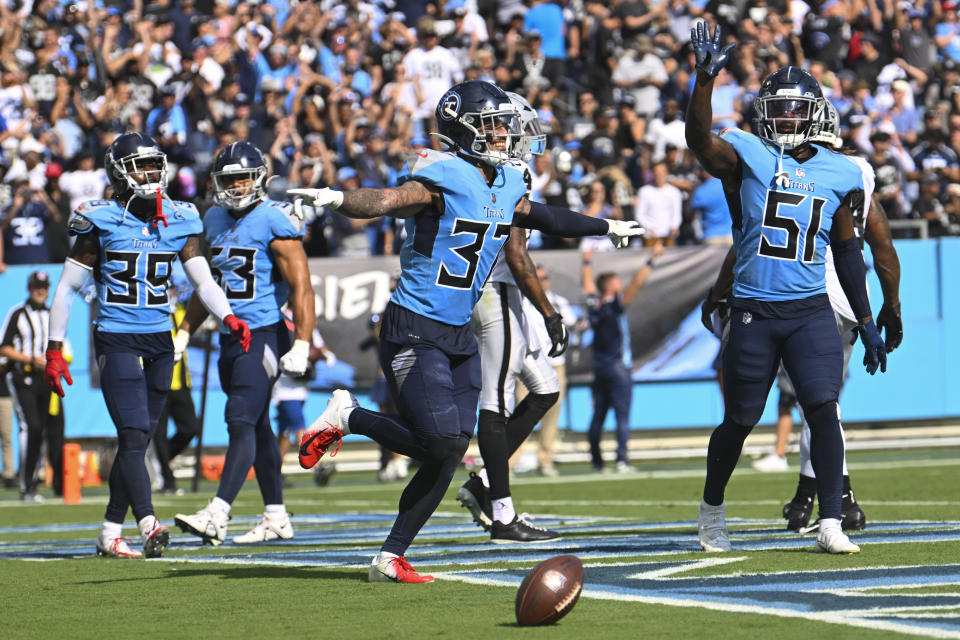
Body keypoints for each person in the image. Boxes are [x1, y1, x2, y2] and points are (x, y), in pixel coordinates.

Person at [289, 80, 642, 583]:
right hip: (414, 324)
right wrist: (333, 197)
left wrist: (606, 227)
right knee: (436, 445)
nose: (504, 134)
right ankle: (348, 416)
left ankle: (391, 555)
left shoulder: (506, 182)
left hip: (456, 331)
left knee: (452, 448)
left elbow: (540, 216)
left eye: (505, 125)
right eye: (493, 125)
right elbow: (388, 199)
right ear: (463, 129)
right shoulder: (443, 175)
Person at [688, 24, 886, 556]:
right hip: (754, 309)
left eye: (798, 110)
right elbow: (700, 142)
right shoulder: (749, 153)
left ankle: (830, 520)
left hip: (811, 312)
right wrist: (704, 82)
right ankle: (711, 510)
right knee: (740, 419)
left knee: (823, 409)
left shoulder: (842, 171)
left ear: (817, 114)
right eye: (780, 108)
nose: (788, 118)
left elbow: (848, 252)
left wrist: (866, 321)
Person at [43, 132, 251, 559]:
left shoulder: (180, 217)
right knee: (135, 433)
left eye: (154, 164)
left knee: (137, 441)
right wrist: (53, 347)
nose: (150, 173)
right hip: (116, 335)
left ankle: (108, 530)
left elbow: (203, 280)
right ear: (119, 172)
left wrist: (228, 316)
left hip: (160, 340)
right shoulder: (97, 217)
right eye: (140, 166)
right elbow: (66, 288)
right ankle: (148, 522)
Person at [173, 141, 313, 546]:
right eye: (229, 178)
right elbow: (208, 286)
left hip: (265, 333)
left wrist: (302, 341)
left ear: (259, 178)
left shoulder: (275, 219)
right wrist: (185, 330)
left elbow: (303, 286)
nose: (236, 186)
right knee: (257, 427)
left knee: (238, 419)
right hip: (229, 339)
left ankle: (218, 513)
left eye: (243, 177)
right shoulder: (214, 218)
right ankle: (276, 516)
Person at [457, 91, 565, 543]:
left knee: (545, 388)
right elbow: (517, 255)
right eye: (508, 126)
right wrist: (548, 310)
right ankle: (501, 512)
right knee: (495, 404)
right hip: (492, 289)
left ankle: (483, 484)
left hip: (502, 291)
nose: (517, 136)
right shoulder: (501, 171)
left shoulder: (505, 169)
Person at [581, 243, 663, 473]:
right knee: (622, 415)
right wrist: (651, 259)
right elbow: (636, 284)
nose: (620, 284)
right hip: (618, 367)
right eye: (616, 281)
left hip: (600, 368)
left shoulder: (594, 306)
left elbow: (587, 287)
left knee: (598, 415)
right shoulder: (614, 305)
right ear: (610, 286)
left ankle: (597, 462)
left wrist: (586, 262)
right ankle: (622, 460)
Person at [0, 271, 63, 501]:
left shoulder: (51, 315)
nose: (41, 290)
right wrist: (29, 359)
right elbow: (4, 347)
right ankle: (26, 484)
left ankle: (32, 482)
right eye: (37, 286)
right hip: (22, 377)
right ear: (29, 288)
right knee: (31, 427)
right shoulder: (17, 313)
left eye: (44, 286)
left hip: (45, 379)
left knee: (42, 430)